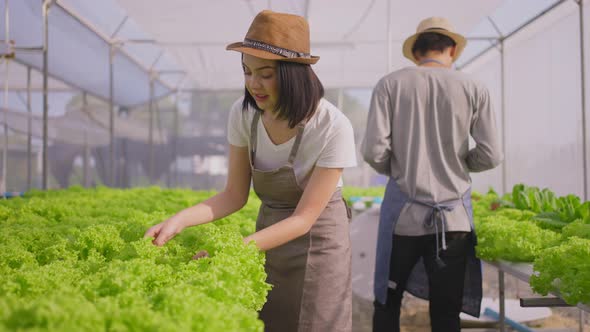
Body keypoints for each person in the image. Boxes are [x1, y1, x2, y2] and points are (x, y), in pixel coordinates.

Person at [145, 10, 356, 332]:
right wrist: (179, 220)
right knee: (270, 320)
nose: (253, 84)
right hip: (267, 233)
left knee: (317, 322)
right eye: (247, 71)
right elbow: (233, 195)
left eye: (265, 74)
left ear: (293, 74)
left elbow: (303, 219)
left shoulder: (331, 126)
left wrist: (228, 253)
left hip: (320, 239)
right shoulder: (245, 115)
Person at [362, 17, 503, 332]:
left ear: (415, 52)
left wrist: (399, 169)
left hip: (403, 217)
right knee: (446, 312)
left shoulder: (391, 84)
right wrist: (460, 164)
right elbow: (492, 153)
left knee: (387, 303)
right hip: (452, 219)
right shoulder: (473, 87)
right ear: (452, 49)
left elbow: (373, 151)